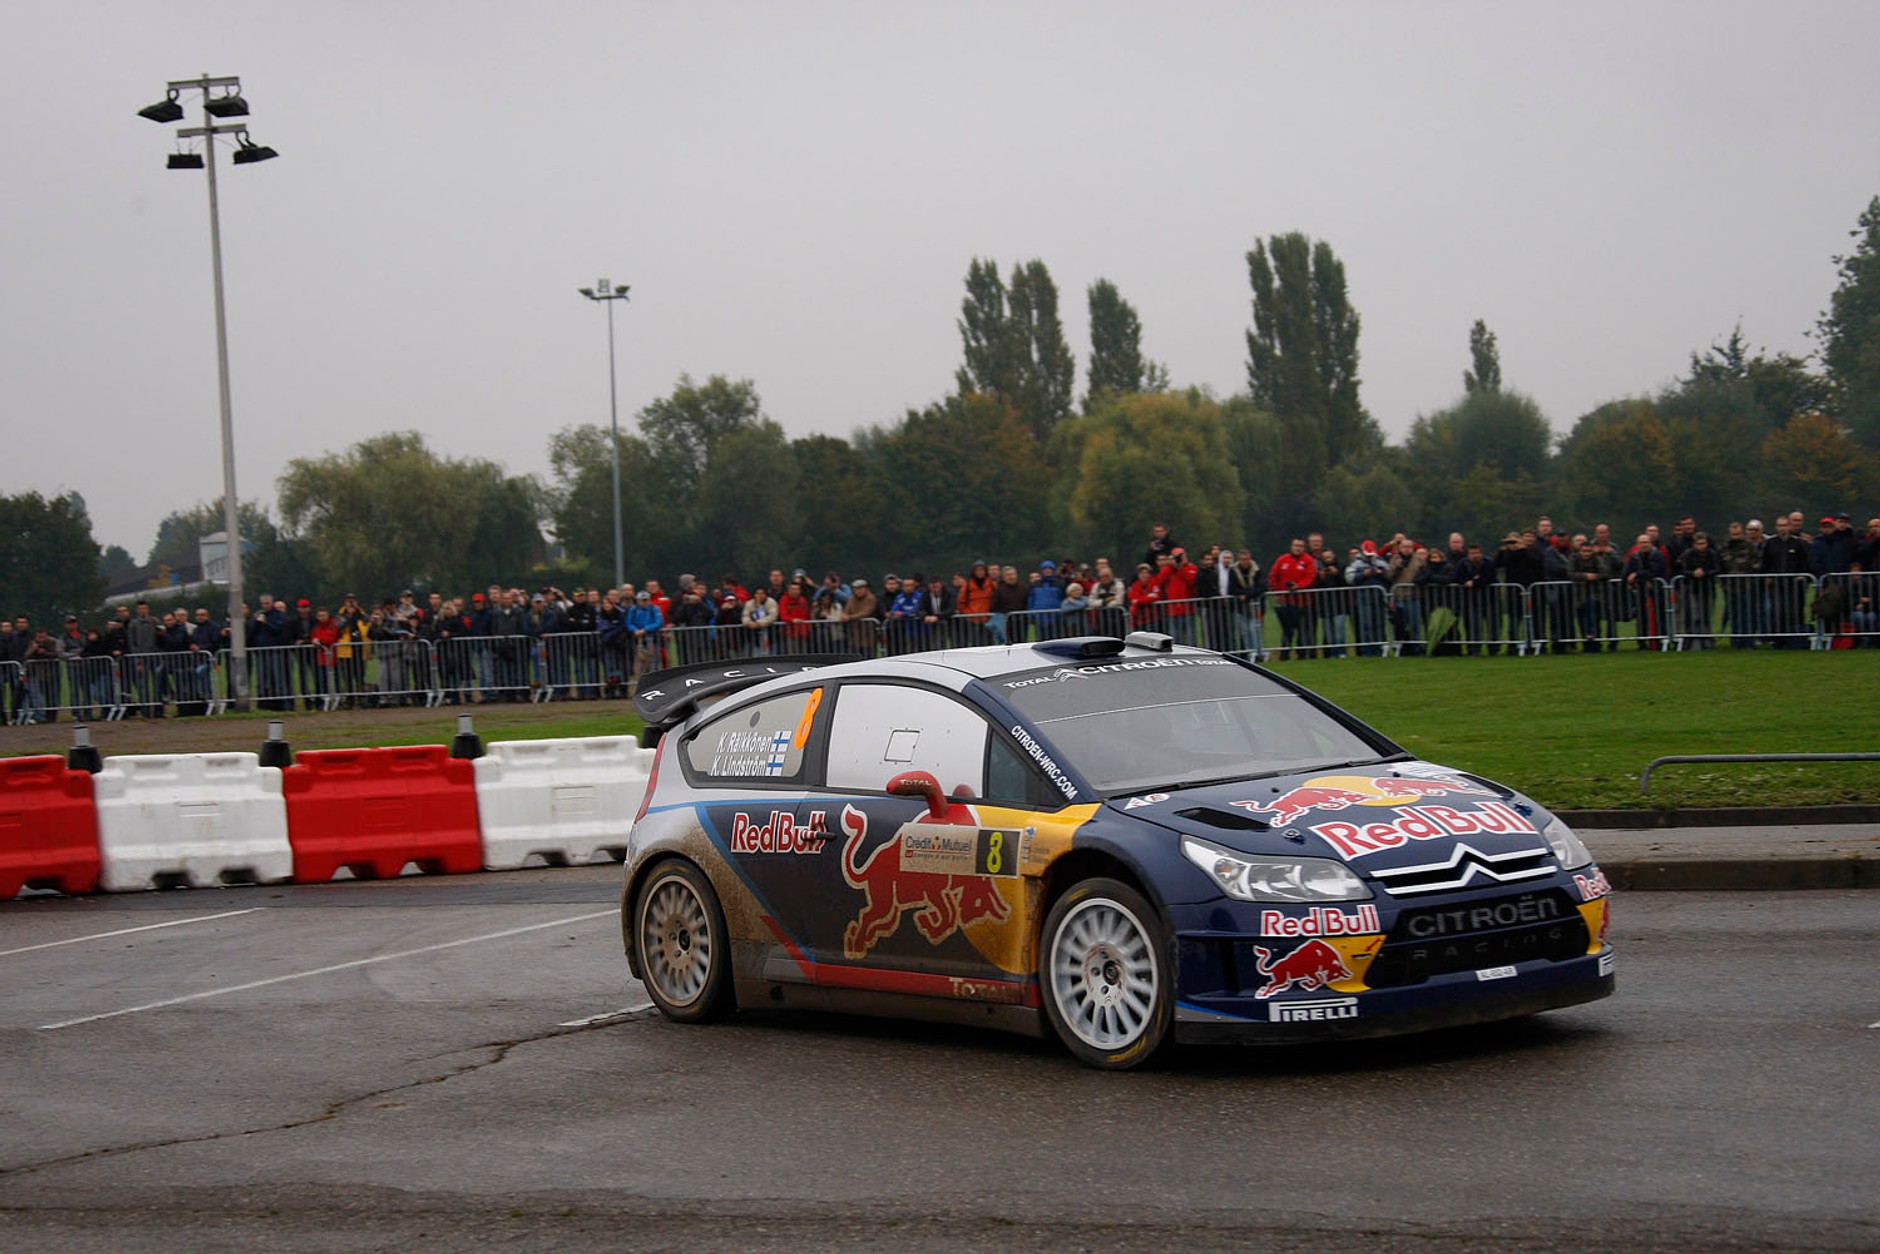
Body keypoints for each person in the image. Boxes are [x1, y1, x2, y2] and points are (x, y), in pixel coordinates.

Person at [1270, 539, 1317, 660]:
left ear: (1304, 548)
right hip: (1286, 602)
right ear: (1291, 546)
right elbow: (1273, 576)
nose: (1298, 548)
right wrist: (1277, 593)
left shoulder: (1308, 560)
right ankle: (1284, 655)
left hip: (1303, 602)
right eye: (1296, 545)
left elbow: (1310, 577)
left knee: (1302, 630)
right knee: (1287, 630)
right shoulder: (1282, 559)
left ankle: (1301, 654)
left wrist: (1298, 586)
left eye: (1300, 546)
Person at [1677, 531, 1721, 647]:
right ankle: (1694, 641)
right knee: (1694, 615)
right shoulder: (1688, 554)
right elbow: (1683, 570)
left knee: (1707, 615)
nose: (1702, 546)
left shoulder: (1711, 553)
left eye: (1704, 543)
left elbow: (1717, 568)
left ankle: (1707, 640)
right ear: (1694, 544)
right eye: (1699, 544)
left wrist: (1705, 573)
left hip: (1708, 588)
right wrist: (1693, 573)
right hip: (1692, 589)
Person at [843, 577, 879, 653]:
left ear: (866, 589)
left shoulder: (871, 598)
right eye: (856, 589)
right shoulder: (851, 599)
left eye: (861, 588)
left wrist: (850, 617)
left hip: (868, 634)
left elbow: (866, 612)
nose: (859, 591)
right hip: (854, 634)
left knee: (869, 656)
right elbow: (846, 611)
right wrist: (845, 616)